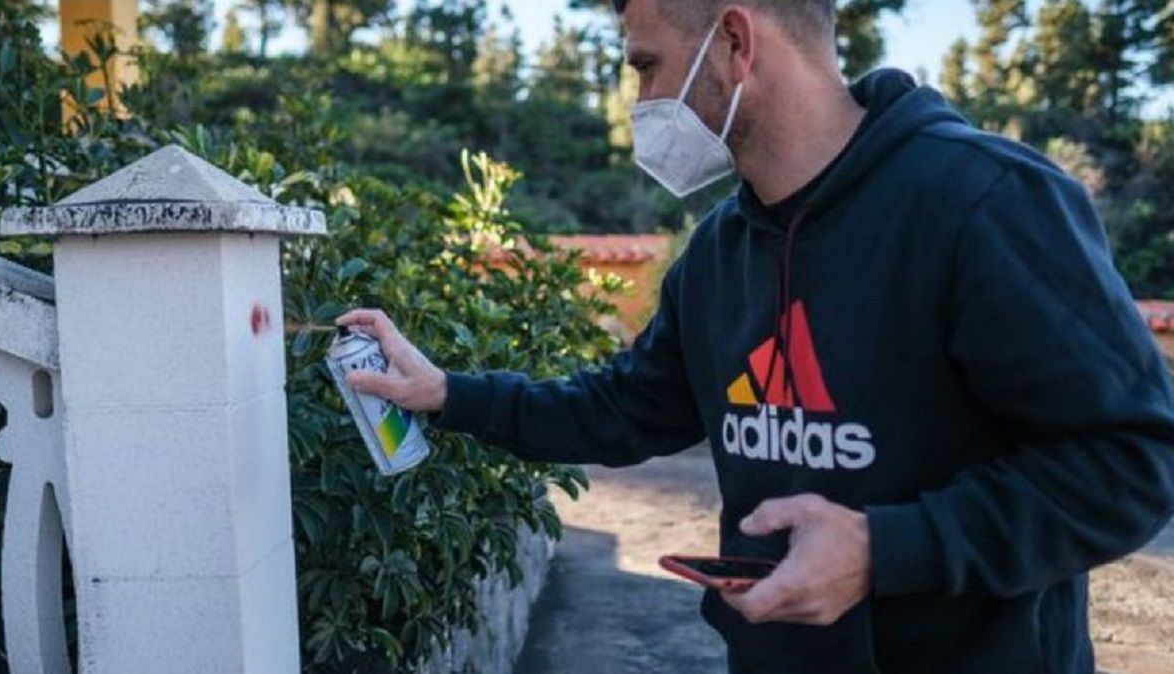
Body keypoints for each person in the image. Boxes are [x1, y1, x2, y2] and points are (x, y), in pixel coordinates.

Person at [336, 1, 1174, 672]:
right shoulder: (716, 256)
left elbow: (1133, 462)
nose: (640, 104)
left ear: (735, 41)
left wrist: (886, 550)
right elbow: (626, 409)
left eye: (647, 67)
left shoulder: (984, 203)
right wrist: (446, 394)